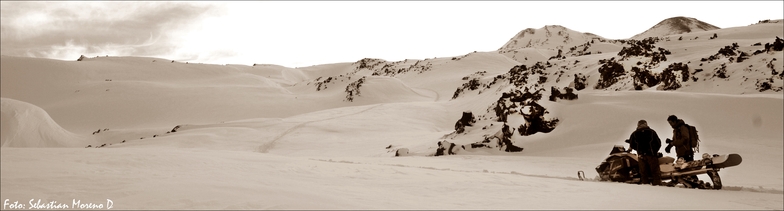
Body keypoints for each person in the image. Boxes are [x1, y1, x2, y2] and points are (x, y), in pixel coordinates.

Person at [628, 120, 662, 186]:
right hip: (651, 155)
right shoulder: (652, 132)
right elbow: (658, 143)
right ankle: (657, 185)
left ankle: (645, 187)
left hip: (641, 155)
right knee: (655, 172)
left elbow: (632, 144)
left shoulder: (634, 134)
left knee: (643, 173)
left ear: (638, 125)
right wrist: (654, 151)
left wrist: (638, 150)